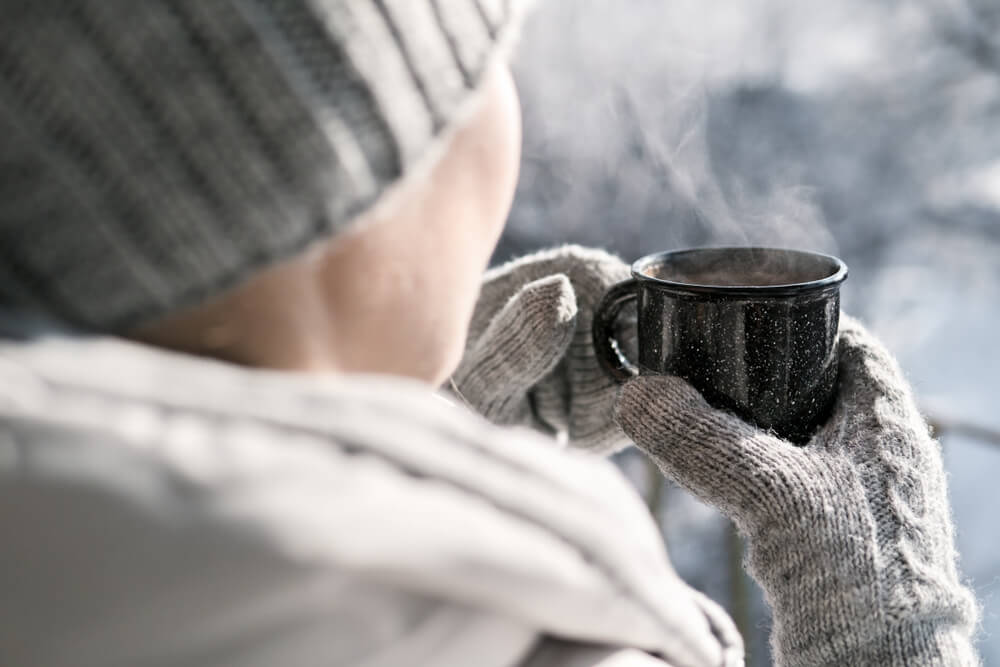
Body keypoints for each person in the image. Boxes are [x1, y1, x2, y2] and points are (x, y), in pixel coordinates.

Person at [0, 1, 979, 666]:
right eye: (487, 63)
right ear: (354, 180)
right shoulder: (525, 641)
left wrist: (414, 436)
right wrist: (886, 626)